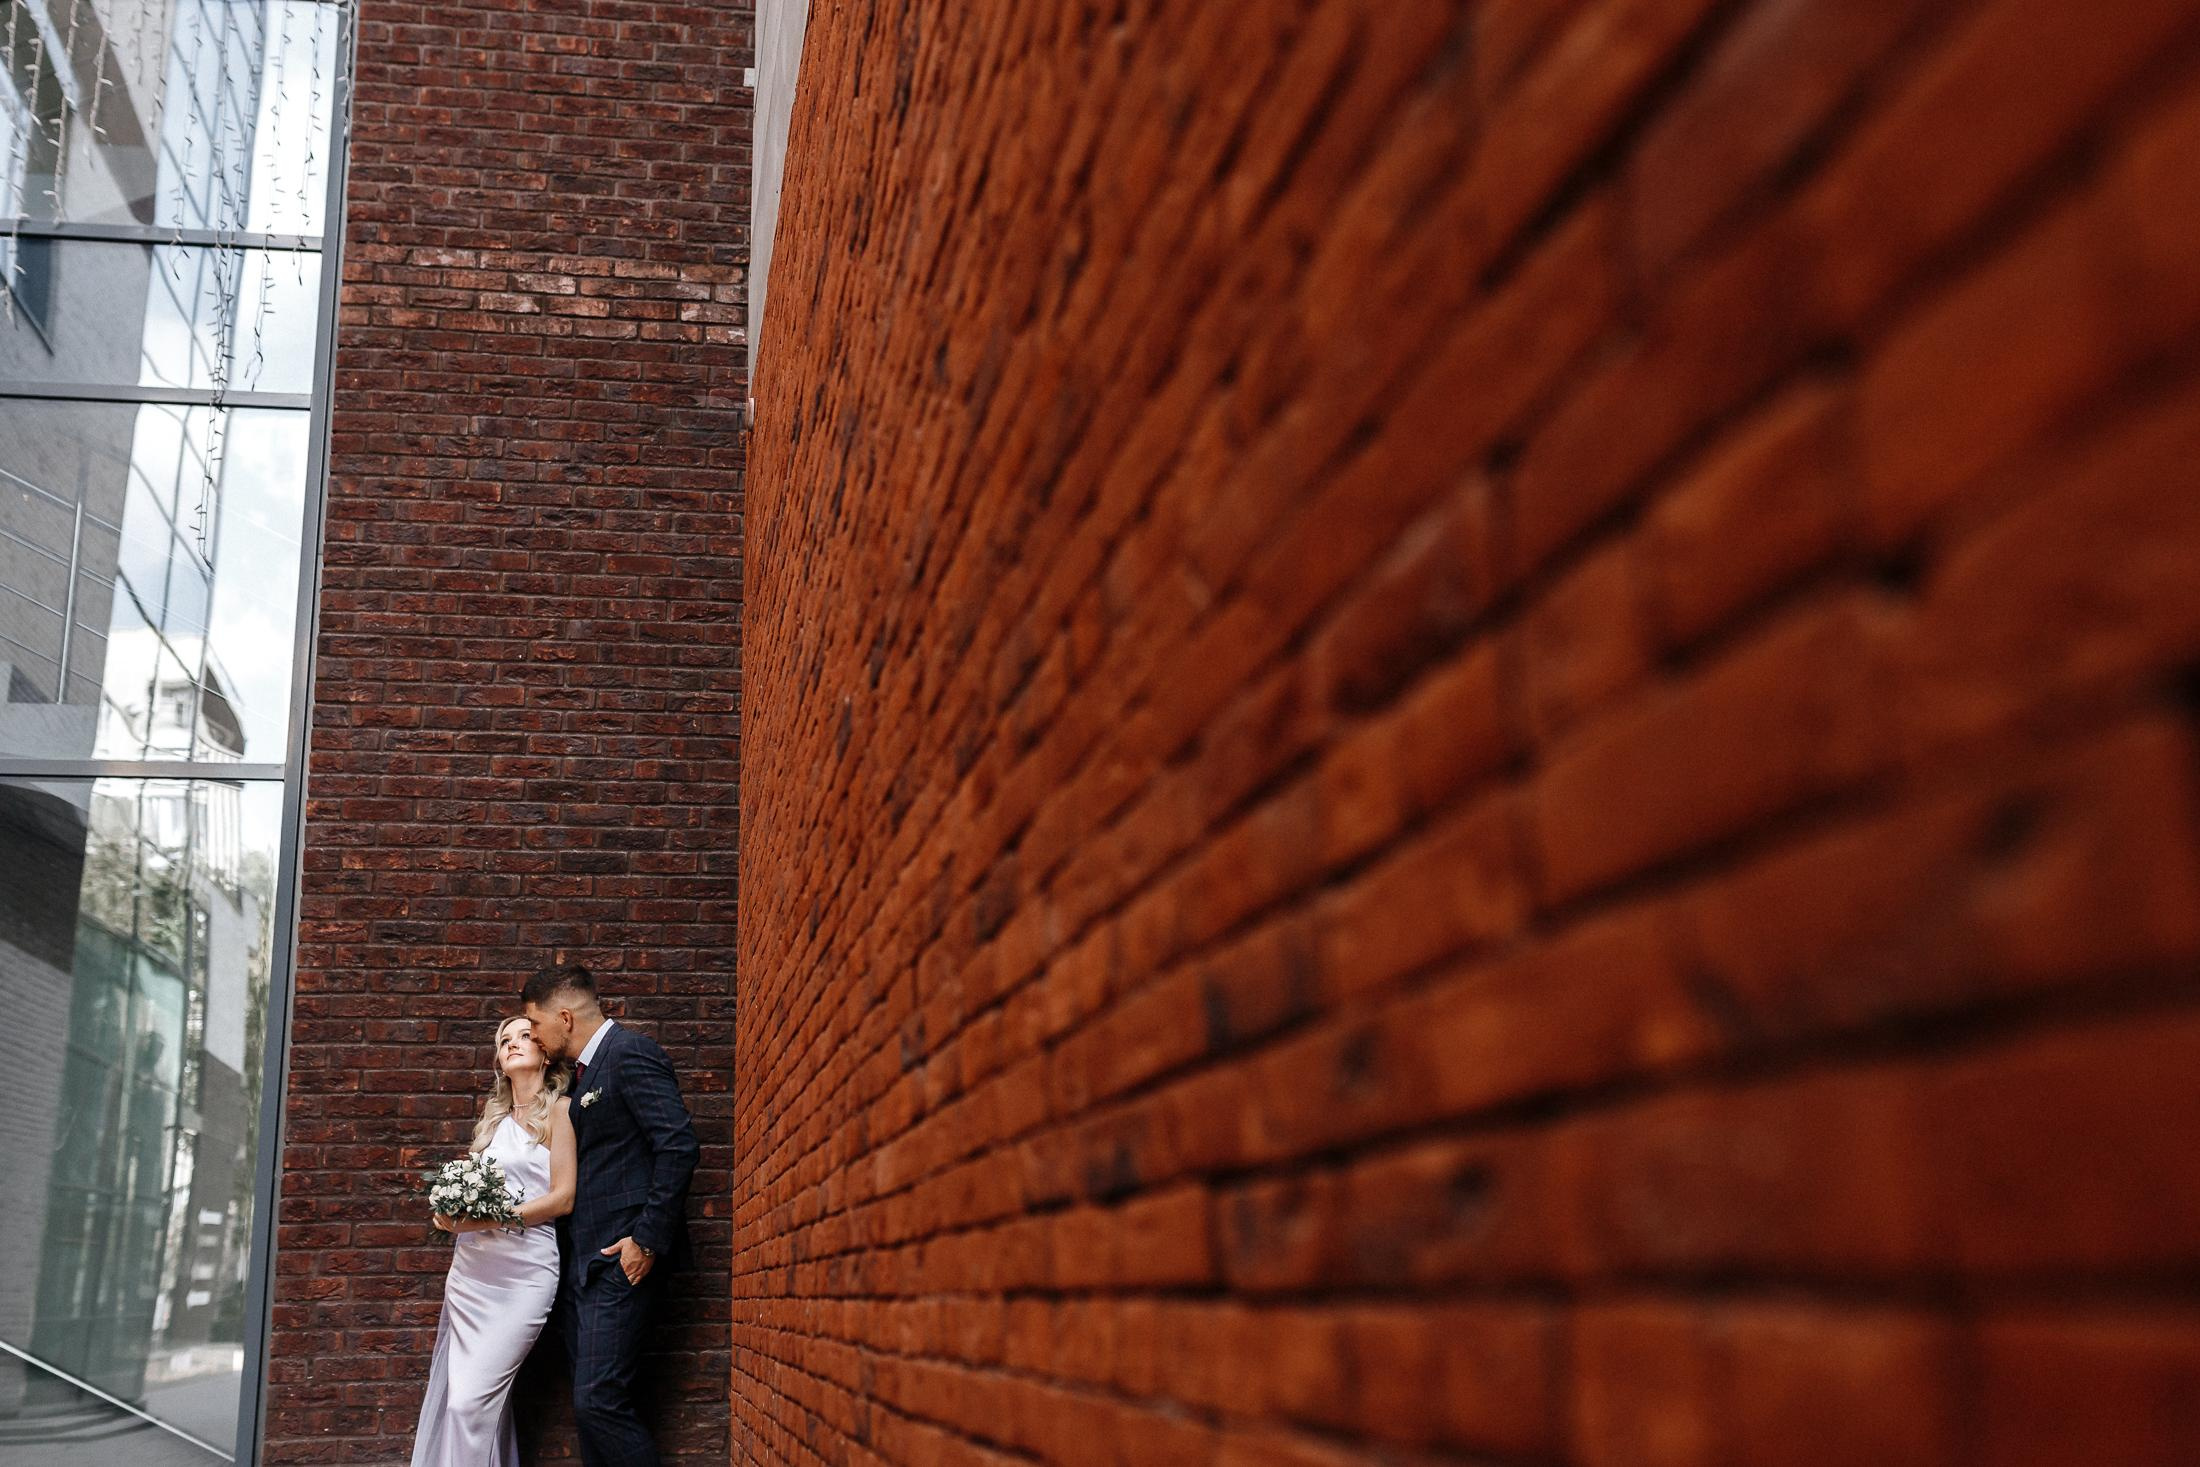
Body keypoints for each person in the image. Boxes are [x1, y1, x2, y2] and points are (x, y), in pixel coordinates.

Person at [521, 963, 700, 1467]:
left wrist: (646, 1239)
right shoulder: (580, 1078)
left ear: (564, 1017)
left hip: (622, 1261)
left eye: (534, 1024)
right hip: (586, 1270)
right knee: (593, 1410)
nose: (534, 1035)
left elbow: (678, 1146)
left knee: (598, 1402)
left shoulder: (630, 1054)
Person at [410, 1016, 576, 1467]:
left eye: (525, 1035)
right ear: (500, 1062)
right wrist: (450, 1213)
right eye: (505, 1040)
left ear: (545, 1052)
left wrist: (487, 1219)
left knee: (470, 1405)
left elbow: (562, 1199)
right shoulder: (492, 1122)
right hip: (472, 1276)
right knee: (465, 1403)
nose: (513, 1044)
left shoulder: (561, 1112)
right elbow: (469, 1195)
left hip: (525, 1277)